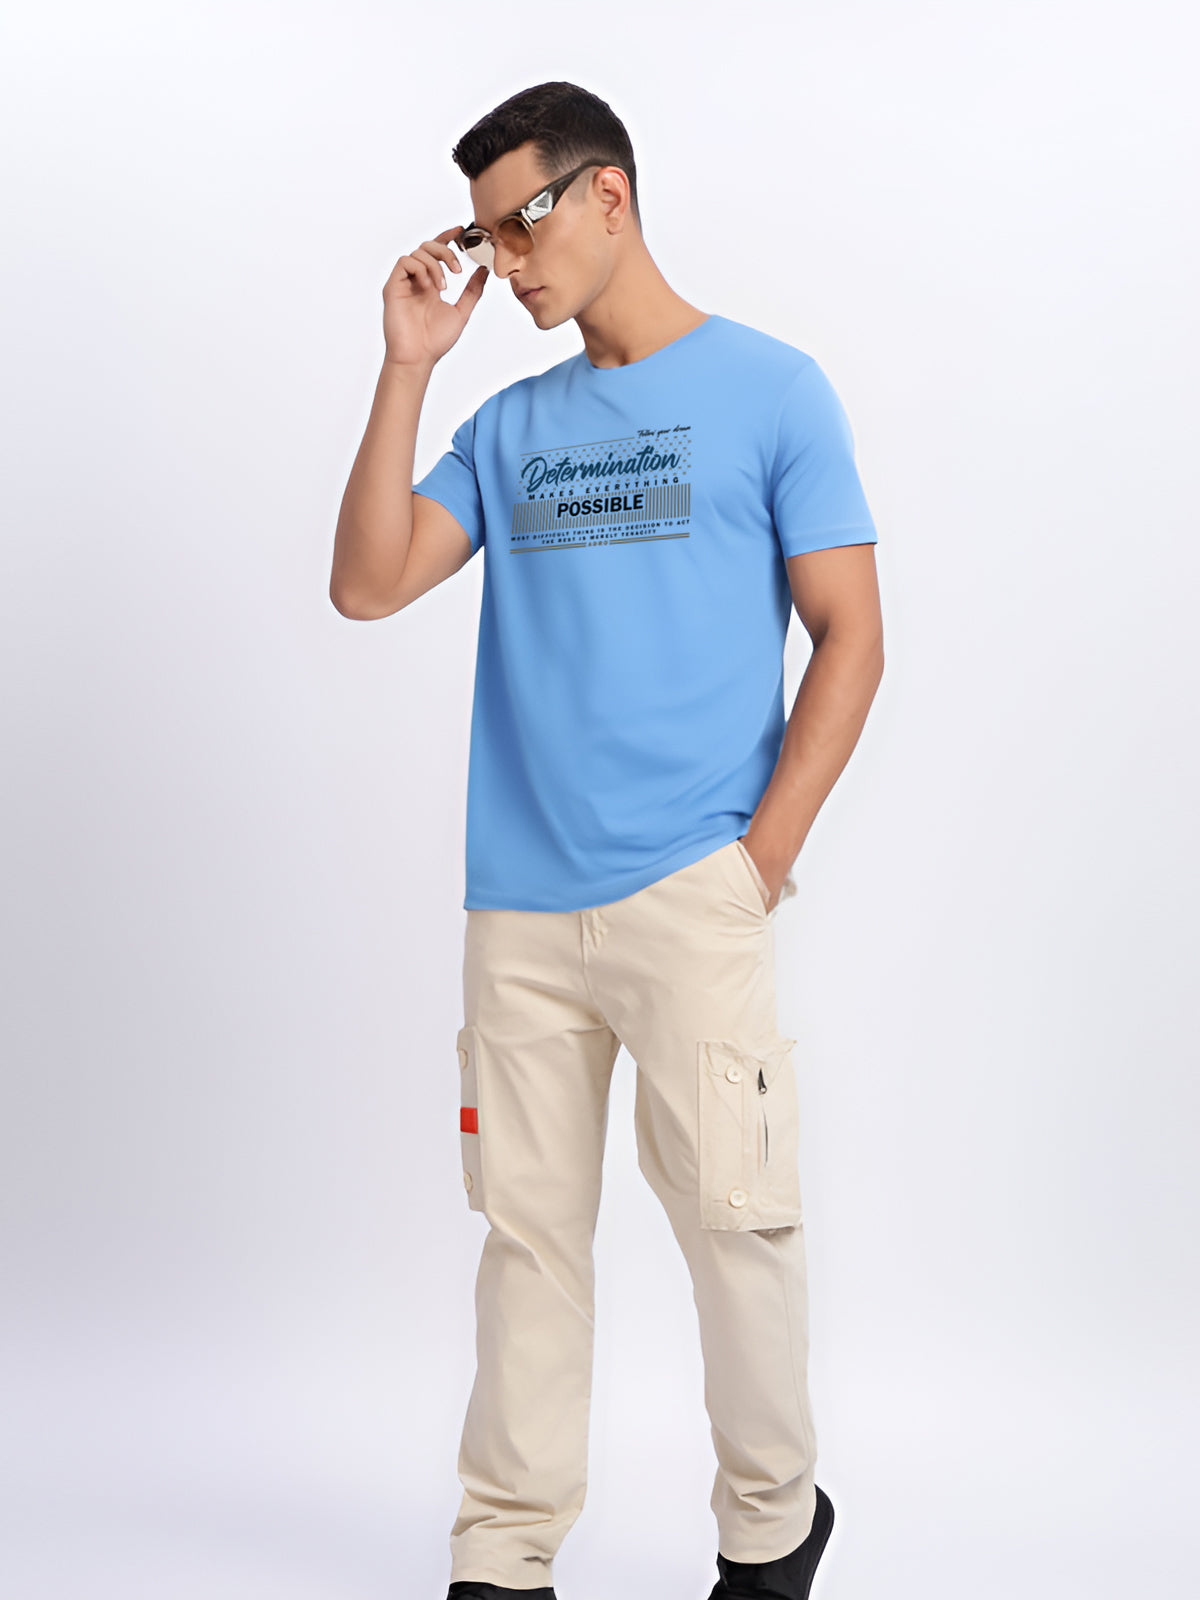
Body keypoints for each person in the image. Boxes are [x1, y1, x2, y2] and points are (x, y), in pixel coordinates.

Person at [330, 80, 884, 1600]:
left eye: (520, 225)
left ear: (609, 196)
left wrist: (756, 862)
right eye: (484, 237)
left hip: (693, 886)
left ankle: (770, 1532)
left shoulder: (774, 391)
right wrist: (405, 367)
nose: (504, 264)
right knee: (528, 1244)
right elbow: (368, 585)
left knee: (736, 1227)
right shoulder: (508, 426)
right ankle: (503, 1555)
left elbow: (849, 635)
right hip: (517, 908)